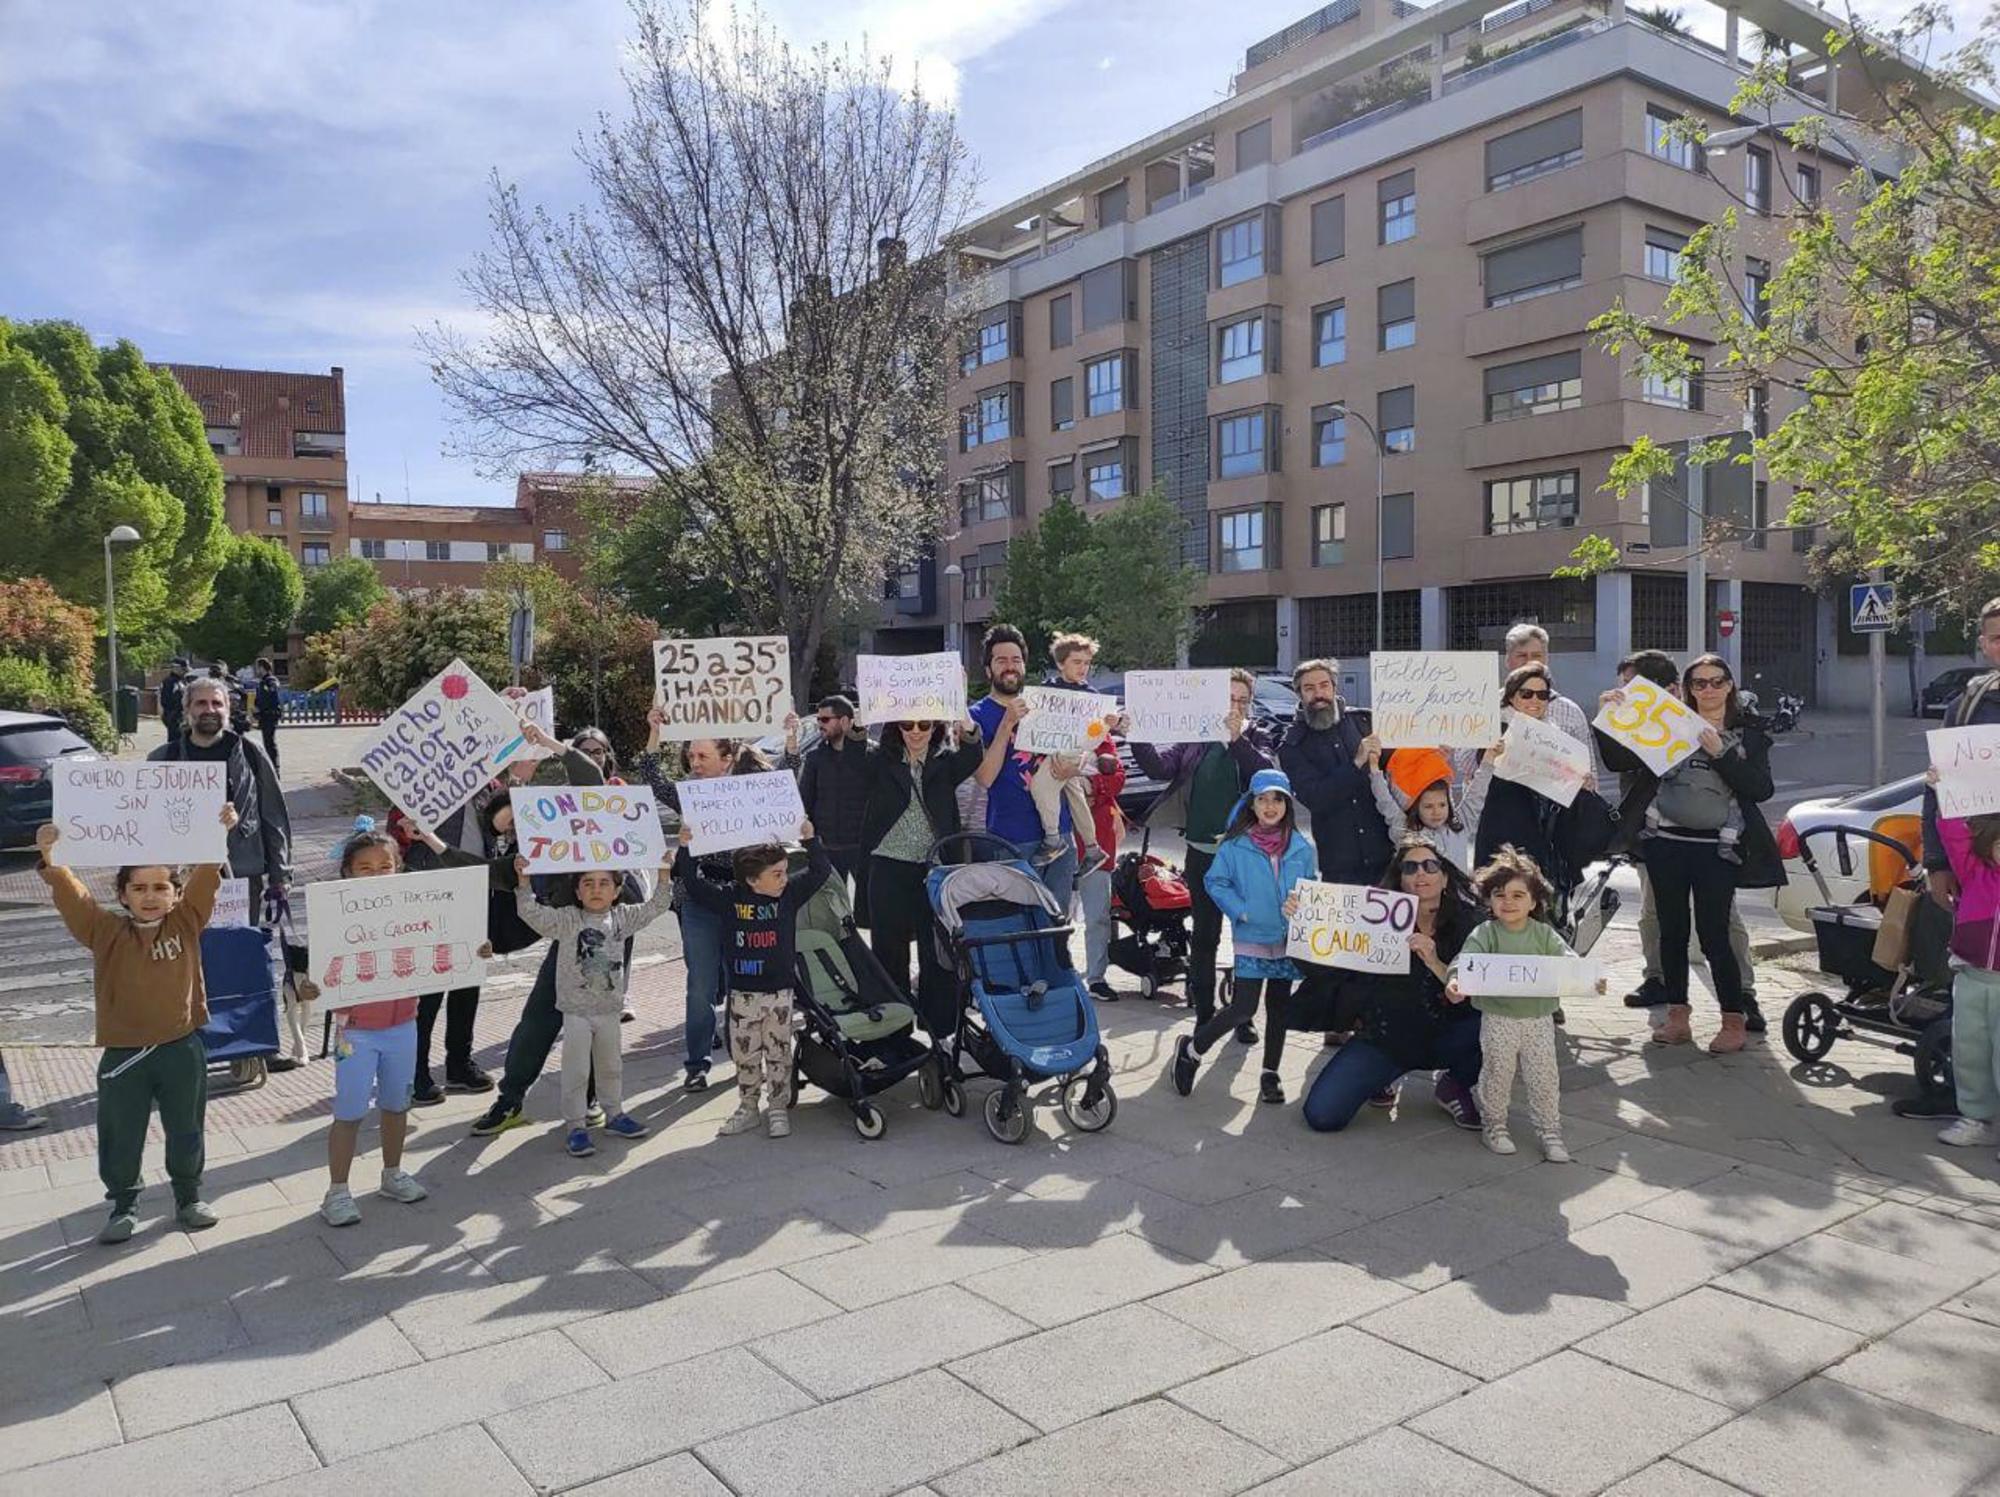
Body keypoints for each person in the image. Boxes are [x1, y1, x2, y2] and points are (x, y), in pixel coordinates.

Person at [37, 803, 239, 1243]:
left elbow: (207, 877)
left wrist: (219, 833)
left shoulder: (186, 922)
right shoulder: (104, 932)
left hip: (181, 1049)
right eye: (140, 887)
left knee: (186, 1129)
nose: (151, 895)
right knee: (120, 1134)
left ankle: (188, 1197)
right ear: (123, 894)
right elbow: (75, 900)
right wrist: (52, 859)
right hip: (125, 1055)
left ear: (175, 893)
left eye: (160, 887)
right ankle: (124, 1205)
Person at [305, 820, 485, 1226]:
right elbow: (317, 976)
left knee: (397, 1104)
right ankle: (337, 1191)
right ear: (348, 873)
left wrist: (474, 952)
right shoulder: (336, 917)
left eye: (384, 866)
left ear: (398, 868)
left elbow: (447, 945)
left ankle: (392, 1173)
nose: (375, 874)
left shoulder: (415, 908)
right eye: (364, 868)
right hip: (355, 1033)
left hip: (404, 1025)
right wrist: (312, 990)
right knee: (349, 1111)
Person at [1599, 653, 1780, 1053]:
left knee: (1716, 935)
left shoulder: (1747, 733)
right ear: (1688, 689)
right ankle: (1677, 1016)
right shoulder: (1672, 726)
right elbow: (1618, 760)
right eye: (1700, 683)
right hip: (1666, 843)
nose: (1709, 690)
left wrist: (1722, 753)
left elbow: (1760, 788)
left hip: (1718, 849)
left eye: (1717, 682)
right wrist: (1609, 720)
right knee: (1672, 931)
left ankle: (1733, 1019)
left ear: (1730, 685)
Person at [469, 720, 641, 1135]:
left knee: (602, 1016)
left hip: (615, 928)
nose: (513, 829)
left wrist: (550, 743)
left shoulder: (593, 810)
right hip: (569, 938)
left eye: (516, 820)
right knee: (539, 1018)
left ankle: (592, 1099)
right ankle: (510, 1099)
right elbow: (481, 868)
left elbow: (589, 777)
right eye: (506, 828)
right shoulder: (535, 843)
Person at [148, 676, 298, 1068]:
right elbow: (143, 822)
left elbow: (274, 816)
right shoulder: (163, 759)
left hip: (239, 877)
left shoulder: (249, 753)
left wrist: (280, 876)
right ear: (187, 711)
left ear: (229, 711)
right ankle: (187, 1046)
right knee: (185, 963)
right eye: (200, 704)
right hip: (178, 882)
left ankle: (254, 1048)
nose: (209, 711)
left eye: (216, 704)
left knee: (244, 960)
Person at [1302, 835, 1484, 1132]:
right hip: (1386, 1040)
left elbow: (1478, 990)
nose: (1421, 873)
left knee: (1498, 1022)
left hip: (1447, 1035)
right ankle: (1381, 1078)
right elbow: (1329, 963)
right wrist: (1302, 920)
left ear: (1445, 876)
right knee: (1323, 1115)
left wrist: (1434, 961)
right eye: (1410, 868)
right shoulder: (1375, 922)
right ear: (1400, 879)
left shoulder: (1472, 923)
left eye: (1430, 865)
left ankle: (1455, 1084)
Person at [1129, 668, 1274, 1036]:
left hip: (1246, 859)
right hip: (1202, 855)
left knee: (1247, 940)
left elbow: (1267, 772)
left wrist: (1238, 739)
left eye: (1243, 700)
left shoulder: (1258, 735)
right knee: (1206, 936)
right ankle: (1206, 1016)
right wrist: (1137, 733)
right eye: (1230, 699)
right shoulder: (1196, 739)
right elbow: (1159, 767)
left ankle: (1241, 1017)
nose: (1236, 706)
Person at [638, 722, 775, 1092]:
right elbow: (651, 775)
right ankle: (696, 1063)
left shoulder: (751, 793)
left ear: (727, 760)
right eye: (691, 755)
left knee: (739, 980)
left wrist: (792, 737)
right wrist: (654, 730)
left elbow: (788, 784)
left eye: (703, 756)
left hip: (742, 899)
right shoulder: (689, 795)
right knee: (700, 983)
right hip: (699, 897)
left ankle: (741, 1051)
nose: (694, 762)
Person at [512, 850, 676, 1158]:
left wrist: (664, 873)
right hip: (575, 1013)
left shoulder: (623, 919)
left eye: (604, 883)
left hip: (609, 1012)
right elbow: (531, 913)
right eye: (588, 883)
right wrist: (523, 880)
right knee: (575, 1072)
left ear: (617, 892)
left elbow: (657, 905)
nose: (596, 890)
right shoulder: (567, 921)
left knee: (611, 1067)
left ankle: (614, 1113)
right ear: (577, 891)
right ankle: (576, 1125)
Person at [674, 823, 833, 1139]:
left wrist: (810, 839)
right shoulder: (729, 899)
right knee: (746, 1057)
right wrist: (686, 847)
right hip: (743, 995)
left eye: (785, 871)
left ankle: (777, 1108)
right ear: (751, 879)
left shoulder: (789, 895)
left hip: (779, 994)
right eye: (776, 874)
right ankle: (748, 1107)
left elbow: (820, 872)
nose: (784, 879)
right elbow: (692, 882)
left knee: (778, 1054)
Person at [1170, 769, 1317, 1104]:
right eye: (1262, 799)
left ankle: (1270, 1073)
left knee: (1279, 1008)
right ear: (1251, 804)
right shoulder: (1235, 846)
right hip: (1251, 935)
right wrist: (1241, 910)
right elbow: (1215, 882)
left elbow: (1311, 885)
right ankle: (1192, 1049)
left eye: (1277, 799)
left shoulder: (1301, 847)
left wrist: (1304, 902)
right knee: (1243, 1007)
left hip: (1287, 939)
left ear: (1287, 804)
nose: (1270, 806)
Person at [1447, 847, 1592, 1161]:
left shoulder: (1544, 934)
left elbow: (1566, 958)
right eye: (1500, 895)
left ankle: (1549, 1130)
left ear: (1534, 901)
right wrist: (1455, 979)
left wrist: (1585, 976)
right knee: (1498, 1072)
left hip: (1539, 1019)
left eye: (1517, 895)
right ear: (1489, 900)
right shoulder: (1485, 933)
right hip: (1498, 1017)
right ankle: (1494, 1124)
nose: (1508, 902)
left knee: (1544, 1076)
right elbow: (1465, 961)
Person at [859, 716, 984, 1035]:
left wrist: (966, 721)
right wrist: (861, 723)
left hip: (933, 870)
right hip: (888, 867)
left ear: (936, 728)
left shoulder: (944, 763)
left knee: (938, 952)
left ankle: (939, 1028)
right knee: (888, 952)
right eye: (907, 725)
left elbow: (972, 755)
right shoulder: (880, 760)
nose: (915, 732)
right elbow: (850, 759)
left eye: (924, 725)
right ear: (895, 729)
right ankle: (895, 1030)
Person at [1473, 663, 1617, 914]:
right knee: (1499, 913)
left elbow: (1567, 793)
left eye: (1542, 695)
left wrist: (1580, 785)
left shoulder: (1557, 739)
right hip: (1502, 842)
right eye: (1526, 694)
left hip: (1546, 845)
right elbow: (1481, 774)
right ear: (1511, 698)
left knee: (1538, 916)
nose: (1535, 700)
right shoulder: (1496, 733)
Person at [971, 625, 1081, 909]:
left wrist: (1073, 767)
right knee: (1019, 925)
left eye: (1016, 660)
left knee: (1058, 923)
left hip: (1060, 833)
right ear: (988, 670)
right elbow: (984, 777)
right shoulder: (977, 716)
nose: (1010, 667)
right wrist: (1007, 724)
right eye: (1001, 661)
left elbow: (1078, 750)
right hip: (1011, 838)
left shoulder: (1046, 706)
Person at [1925, 774, 2000, 1152]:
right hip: (1971, 975)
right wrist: (1946, 792)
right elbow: (1955, 837)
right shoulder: (1975, 872)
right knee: (1969, 1050)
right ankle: (1975, 1116)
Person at [1279, 658, 1391, 886]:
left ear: (1334, 687)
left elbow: (1400, 766)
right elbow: (1316, 797)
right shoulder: (1292, 745)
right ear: (1299, 694)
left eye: (1324, 685)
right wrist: (1356, 762)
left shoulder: (1365, 722)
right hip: (1339, 865)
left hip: (1386, 857)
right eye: (1309, 688)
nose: (1318, 694)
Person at [1924, 598, 2000, 914]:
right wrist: (1938, 863)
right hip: (1982, 873)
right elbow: (1937, 789)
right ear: (1983, 644)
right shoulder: (1967, 706)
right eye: (1998, 638)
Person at [1030, 634, 1110, 866]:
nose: (1083, 668)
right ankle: (1093, 848)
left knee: (1041, 786)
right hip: (1056, 748)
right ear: (1060, 664)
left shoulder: (1092, 696)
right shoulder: (1048, 690)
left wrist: (1109, 723)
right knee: (1075, 796)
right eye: (1077, 662)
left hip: (1073, 751)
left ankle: (1053, 839)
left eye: (1086, 663)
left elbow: (1097, 732)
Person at [1362, 742, 1491, 875]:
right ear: (1416, 808)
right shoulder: (1406, 831)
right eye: (1428, 806)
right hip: (1419, 895)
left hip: (1458, 895)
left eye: (1442, 805)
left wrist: (1490, 757)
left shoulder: (1461, 824)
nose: (1436, 812)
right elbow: (1386, 803)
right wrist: (1374, 770)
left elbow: (1477, 792)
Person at [798, 696, 870, 892]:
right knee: (832, 909)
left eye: (825, 719)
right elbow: (805, 800)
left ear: (845, 721)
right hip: (826, 847)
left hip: (862, 847)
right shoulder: (815, 758)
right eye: (818, 720)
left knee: (867, 909)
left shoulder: (870, 756)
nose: (820, 725)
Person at [1077, 734, 1127, 1001]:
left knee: (1098, 915)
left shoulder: (1100, 733)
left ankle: (1096, 977)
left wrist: (1091, 784)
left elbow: (1118, 777)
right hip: (1057, 836)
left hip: (1097, 840)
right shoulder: (1046, 722)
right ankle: (1054, 976)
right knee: (1052, 916)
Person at [1503, 623, 1596, 760]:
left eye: (1536, 655)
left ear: (1546, 659)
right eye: (1522, 656)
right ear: (1508, 660)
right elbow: (1466, 764)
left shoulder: (1571, 712)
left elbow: (1587, 767)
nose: (1529, 662)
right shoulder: (1489, 707)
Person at [252, 658, 284, 772]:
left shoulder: (270, 680)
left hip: (271, 714)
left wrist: (269, 688)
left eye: (258, 667)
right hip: (264, 715)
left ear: (262, 667)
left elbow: (272, 691)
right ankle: (270, 764)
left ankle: (275, 767)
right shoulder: (262, 681)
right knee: (267, 741)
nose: (257, 670)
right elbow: (260, 698)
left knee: (270, 741)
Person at [159, 658, 189, 743]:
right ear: (176, 668)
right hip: (174, 717)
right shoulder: (170, 682)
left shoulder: (182, 681)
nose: (185, 671)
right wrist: (172, 715)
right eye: (183, 669)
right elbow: (165, 701)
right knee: (175, 742)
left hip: (181, 716)